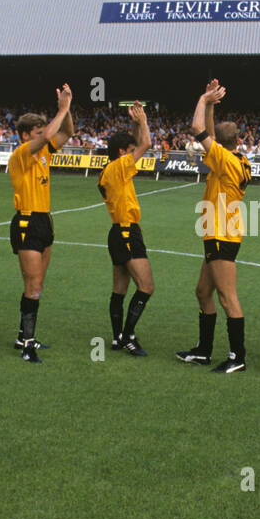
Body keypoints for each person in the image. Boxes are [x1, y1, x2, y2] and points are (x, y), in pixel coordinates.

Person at [177, 79, 253, 373]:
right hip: (218, 235)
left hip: (222, 236)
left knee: (226, 297)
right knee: (202, 292)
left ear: (219, 143)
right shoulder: (236, 158)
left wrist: (202, 97)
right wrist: (211, 104)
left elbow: (198, 129)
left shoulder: (223, 160)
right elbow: (208, 131)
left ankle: (238, 357)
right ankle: (204, 351)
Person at [7, 85, 74, 363]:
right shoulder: (22, 153)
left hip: (44, 219)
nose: (43, 137)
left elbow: (67, 133)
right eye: (36, 133)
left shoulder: (44, 152)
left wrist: (67, 108)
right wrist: (60, 109)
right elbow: (49, 134)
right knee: (32, 284)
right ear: (25, 135)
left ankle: (24, 336)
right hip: (26, 220)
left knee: (38, 284)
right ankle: (27, 344)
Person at [98, 101, 154, 356]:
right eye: (130, 151)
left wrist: (133, 121)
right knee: (146, 287)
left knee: (119, 290)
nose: (135, 156)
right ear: (122, 153)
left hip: (117, 233)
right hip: (127, 232)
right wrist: (143, 120)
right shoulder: (118, 167)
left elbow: (136, 144)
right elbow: (146, 144)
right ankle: (128, 335)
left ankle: (116, 338)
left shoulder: (112, 169)